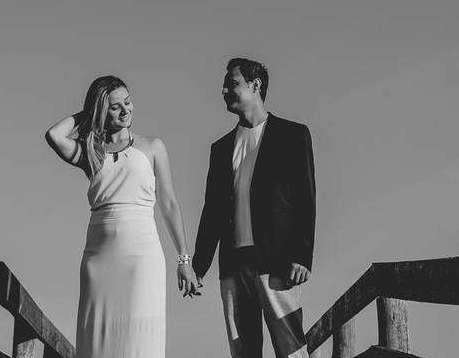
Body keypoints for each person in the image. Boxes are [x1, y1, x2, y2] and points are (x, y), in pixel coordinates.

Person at [45, 75, 200, 358]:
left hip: (142, 256)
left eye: (127, 102)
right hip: (98, 256)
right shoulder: (90, 152)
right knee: (97, 338)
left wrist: (184, 260)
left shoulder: (153, 146)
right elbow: (54, 135)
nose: (125, 110)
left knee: (140, 337)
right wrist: (89, 113)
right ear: (101, 111)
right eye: (115, 107)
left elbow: (168, 203)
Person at [194, 58, 316, 358]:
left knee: (291, 350)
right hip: (233, 266)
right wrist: (198, 267)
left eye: (232, 83)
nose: (224, 90)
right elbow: (212, 212)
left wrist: (302, 256)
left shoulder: (292, 134)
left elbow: (305, 198)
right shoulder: (220, 148)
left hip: (278, 263)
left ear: (255, 85)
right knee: (242, 353)